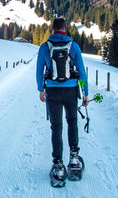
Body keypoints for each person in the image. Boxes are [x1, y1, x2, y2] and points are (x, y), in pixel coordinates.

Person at [36, 17, 89, 186]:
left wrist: (41, 89)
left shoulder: (45, 47)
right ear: (65, 29)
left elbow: (39, 71)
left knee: (56, 127)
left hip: (52, 91)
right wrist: (85, 92)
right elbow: (81, 72)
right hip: (71, 90)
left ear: (52, 29)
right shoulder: (73, 46)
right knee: (72, 122)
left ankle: (58, 165)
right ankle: (74, 160)